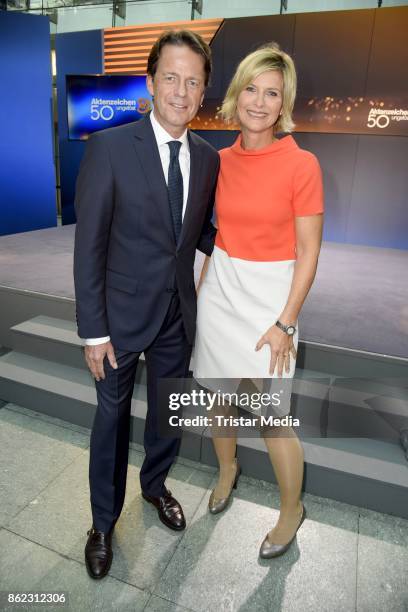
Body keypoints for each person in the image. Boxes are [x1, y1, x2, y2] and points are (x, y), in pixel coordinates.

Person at [73, 29, 219, 579]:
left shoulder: (206, 159)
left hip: (177, 318)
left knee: (167, 415)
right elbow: (89, 246)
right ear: (152, 82)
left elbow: (196, 232)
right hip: (117, 321)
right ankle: (103, 523)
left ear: (203, 92)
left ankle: (155, 487)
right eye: (171, 78)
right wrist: (93, 331)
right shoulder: (110, 149)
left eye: (193, 82)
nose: (181, 91)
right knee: (110, 422)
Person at [194, 43, 324, 559]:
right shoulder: (218, 160)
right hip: (221, 291)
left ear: (283, 104)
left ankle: (292, 510)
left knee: (273, 417)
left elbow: (309, 254)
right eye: (251, 88)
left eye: (273, 93)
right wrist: (204, 291)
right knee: (218, 395)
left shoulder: (302, 164)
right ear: (236, 93)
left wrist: (285, 324)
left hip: (271, 304)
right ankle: (228, 469)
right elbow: (218, 234)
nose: (259, 101)